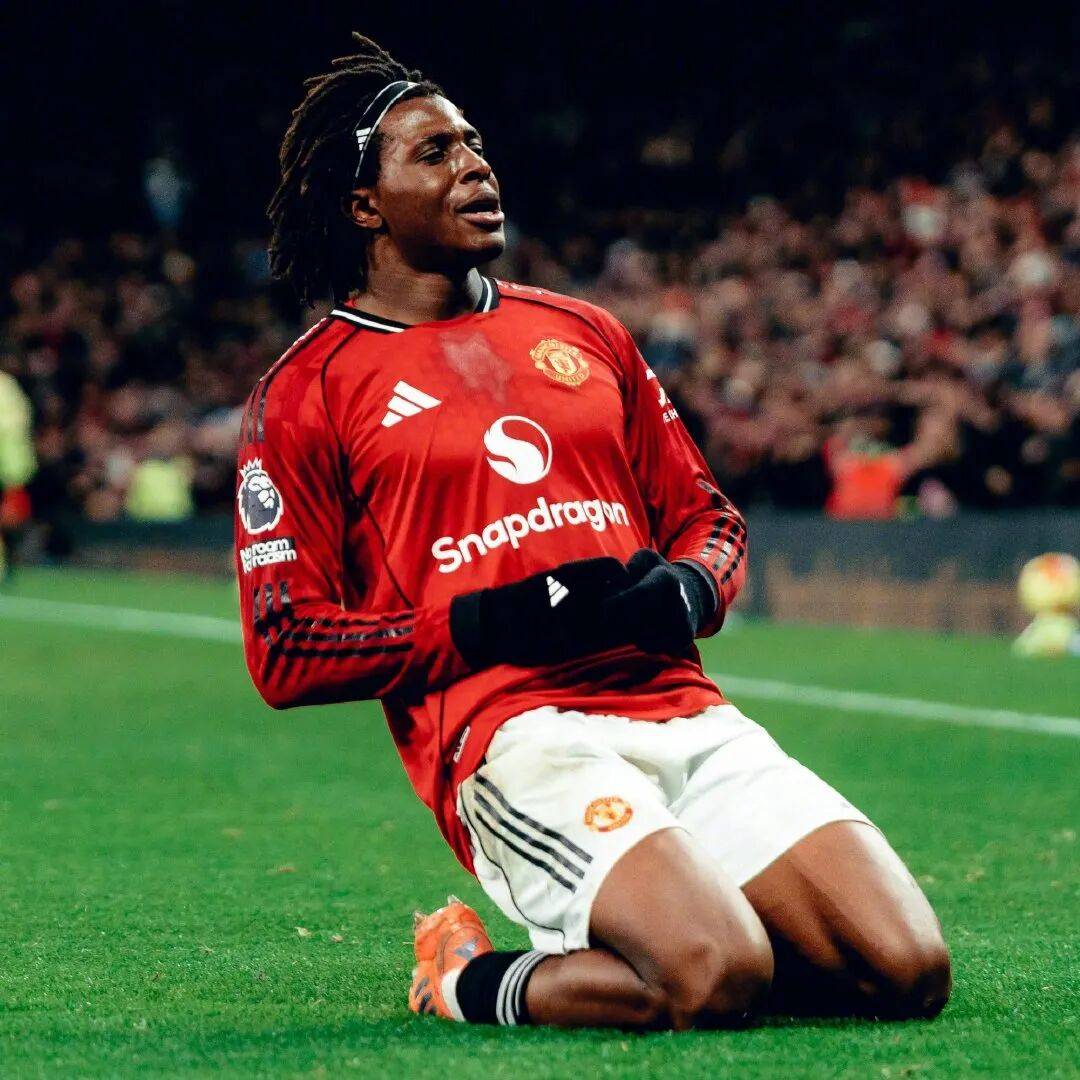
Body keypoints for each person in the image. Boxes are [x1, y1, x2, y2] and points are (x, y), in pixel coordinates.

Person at [237, 33, 951, 1031]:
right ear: (365, 206)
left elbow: (707, 517)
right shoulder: (308, 390)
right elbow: (286, 647)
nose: (475, 166)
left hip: (682, 712)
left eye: (474, 144)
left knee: (907, 972)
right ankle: (463, 980)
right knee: (713, 976)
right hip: (515, 735)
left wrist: (691, 589)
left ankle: (693, 924)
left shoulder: (582, 332)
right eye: (434, 152)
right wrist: (491, 620)